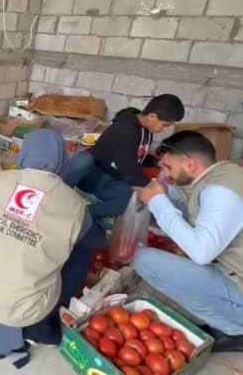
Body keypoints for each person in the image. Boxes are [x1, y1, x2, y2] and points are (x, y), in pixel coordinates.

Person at [0, 129, 102, 369]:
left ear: (24, 154)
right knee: (83, 249)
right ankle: (45, 323)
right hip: (26, 311)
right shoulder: (73, 204)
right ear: (63, 161)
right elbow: (98, 241)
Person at [134, 131, 243, 353]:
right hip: (233, 269)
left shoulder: (221, 192)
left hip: (237, 278)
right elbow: (192, 204)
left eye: (167, 167)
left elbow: (201, 252)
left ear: (190, 164)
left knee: (146, 260)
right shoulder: (221, 175)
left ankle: (235, 331)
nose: (164, 173)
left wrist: (158, 201)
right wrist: (164, 193)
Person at [65, 94, 184, 220]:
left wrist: (157, 163)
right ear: (152, 117)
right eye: (165, 124)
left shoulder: (146, 131)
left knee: (137, 199)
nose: (165, 129)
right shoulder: (125, 129)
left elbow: (136, 156)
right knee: (83, 159)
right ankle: (58, 193)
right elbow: (129, 170)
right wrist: (154, 188)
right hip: (92, 176)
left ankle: (82, 214)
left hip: (112, 182)